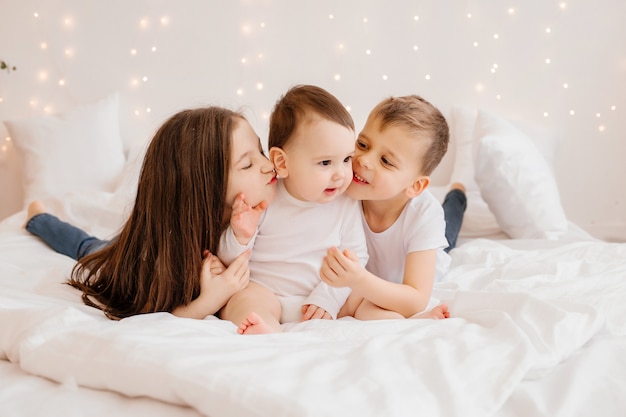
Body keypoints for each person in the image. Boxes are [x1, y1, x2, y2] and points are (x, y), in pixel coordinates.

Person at [24, 106, 278, 320]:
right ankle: (38, 217)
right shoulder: (161, 258)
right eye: (247, 164)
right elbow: (147, 314)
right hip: (123, 256)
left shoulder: (275, 200)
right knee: (89, 248)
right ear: (203, 188)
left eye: (262, 151)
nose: (269, 166)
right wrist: (210, 300)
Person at [217, 85, 369, 334]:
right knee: (242, 302)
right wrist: (239, 236)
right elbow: (229, 262)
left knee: (367, 298)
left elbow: (357, 258)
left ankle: (402, 320)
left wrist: (328, 298)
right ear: (282, 162)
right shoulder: (266, 195)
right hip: (267, 292)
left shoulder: (347, 202)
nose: (341, 174)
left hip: (322, 296)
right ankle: (266, 328)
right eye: (325, 162)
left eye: (346, 159)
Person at [319, 95, 467, 320]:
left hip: (423, 257)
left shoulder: (425, 215)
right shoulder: (343, 186)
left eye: (386, 161)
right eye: (362, 144)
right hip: (373, 284)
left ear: (415, 185)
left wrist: (359, 280)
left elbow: (416, 300)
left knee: (449, 226)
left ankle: (458, 194)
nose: (364, 160)